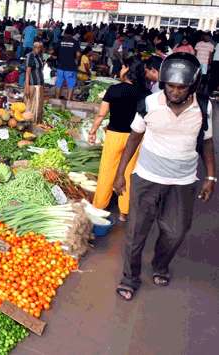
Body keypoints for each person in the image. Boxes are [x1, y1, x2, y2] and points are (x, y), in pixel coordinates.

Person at [113, 53, 215, 301]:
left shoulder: (204, 107)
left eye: (182, 87)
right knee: (136, 232)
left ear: (193, 85)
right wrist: (120, 173)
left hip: (182, 182)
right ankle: (130, 277)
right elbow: (134, 137)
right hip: (147, 178)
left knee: (176, 231)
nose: (176, 91)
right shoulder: (149, 104)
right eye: (171, 85)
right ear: (163, 83)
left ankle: (160, 265)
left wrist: (211, 177)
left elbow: (208, 142)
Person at [87, 57, 147, 222]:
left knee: (107, 171)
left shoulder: (114, 89)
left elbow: (101, 114)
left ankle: (99, 206)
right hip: (135, 138)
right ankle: (124, 212)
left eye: (122, 67)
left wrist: (93, 131)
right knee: (128, 173)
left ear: (127, 69)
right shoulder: (145, 93)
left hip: (114, 136)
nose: (120, 70)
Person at [54, 27, 80, 101]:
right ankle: (68, 101)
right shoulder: (75, 42)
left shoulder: (60, 41)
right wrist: (76, 61)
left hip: (60, 66)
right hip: (71, 67)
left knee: (59, 84)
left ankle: (56, 100)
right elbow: (78, 54)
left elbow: (54, 51)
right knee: (70, 85)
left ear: (65, 33)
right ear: (72, 34)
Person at [24, 42, 45, 123]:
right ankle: (29, 124)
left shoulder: (39, 56)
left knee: (37, 107)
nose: (38, 48)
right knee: (31, 106)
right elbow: (28, 72)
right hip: (32, 85)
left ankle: (36, 123)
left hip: (39, 85)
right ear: (33, 47)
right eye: (36, 47)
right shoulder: (30, 56)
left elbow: (40, 70)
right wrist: (27, 87)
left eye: (39, 47)